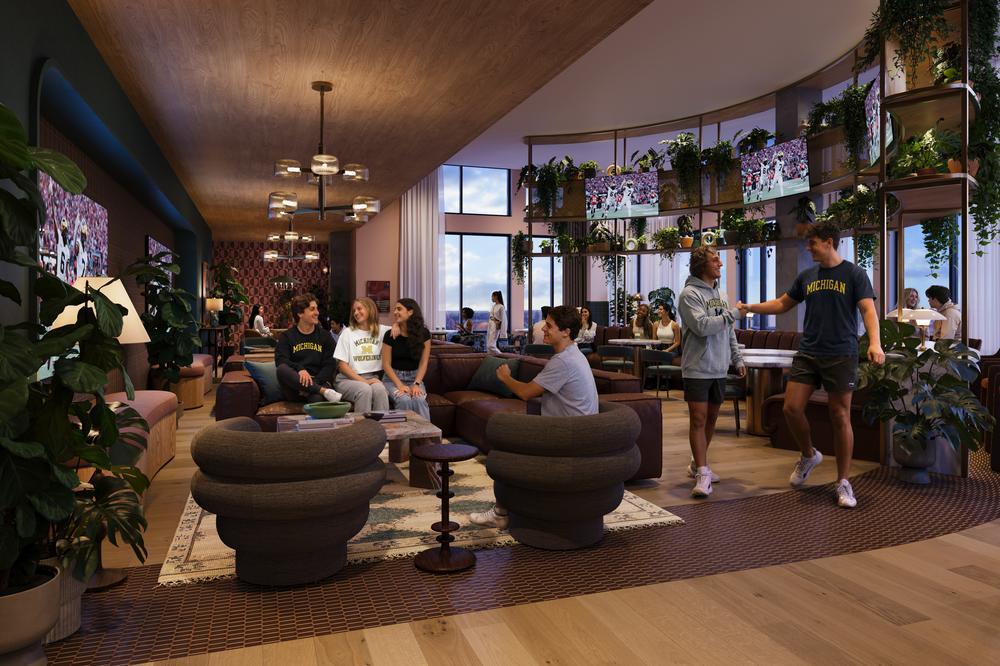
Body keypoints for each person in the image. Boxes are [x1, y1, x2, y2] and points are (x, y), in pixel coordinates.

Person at [738, 221, 884, 508]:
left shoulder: (854, 274)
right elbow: (782, 304)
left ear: (828, 242)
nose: (809, 247)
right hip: (808, 352)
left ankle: (843, 481)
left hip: (841, 353)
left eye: (813, 242)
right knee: (791, 408)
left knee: (840, 415)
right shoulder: (807, 276)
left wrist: (875, 343)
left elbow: (868, 309)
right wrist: (749, 308)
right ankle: (808, 454)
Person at [469, 305, 599, 528]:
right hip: (575, 433)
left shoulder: (564, 361)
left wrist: (505, 377)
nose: (543, 330)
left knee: (505, 449)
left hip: (568, 438)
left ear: (566, 331)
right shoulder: (573, 355)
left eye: (549, 326)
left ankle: (500, 514)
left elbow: (526, 393)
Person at [678, 247, 745, 498]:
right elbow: (702, 326)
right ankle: (703, 472)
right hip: (697, 368)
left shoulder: (721, 294)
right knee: (698, 419)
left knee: (712, 420)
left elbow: (728, 331)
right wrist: (734, 314)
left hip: (718, 367)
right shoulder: (689, 294)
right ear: (701, 265)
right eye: (715, 259)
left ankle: (698, 462)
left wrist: (736, 358)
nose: (720, 262)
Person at [275, 293, 342, 404]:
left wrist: (313, 383)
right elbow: (281, 360)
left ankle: (317, 390)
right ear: (300, 313)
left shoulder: (325, 336)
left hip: (318, 381)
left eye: (316, 309)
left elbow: (330, 364)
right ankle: (322, 391)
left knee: (317, 399)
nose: (317, 312)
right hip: (295, 387)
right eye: (312, 309)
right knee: (282, 369)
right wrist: (300, 368)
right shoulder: (287, 337)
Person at [333, 298, 390, 414]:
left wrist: (398, 326)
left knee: (380, 390)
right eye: (354, 310)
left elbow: (404, 328)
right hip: (346, 380)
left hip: (372, 378)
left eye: (359, 309)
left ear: (370, 309)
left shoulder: (382, 331)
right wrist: (364, 381)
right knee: (364, 390)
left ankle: (382, 427)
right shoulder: (347, 333)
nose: (356, 313)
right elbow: (342, 366)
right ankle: (362, 429)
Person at [381, 298, 431, 420]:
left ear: (410, 312)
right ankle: (404, 438)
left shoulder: (423, 333)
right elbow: (386, 364)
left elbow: (424, 362)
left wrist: (417, 384)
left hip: (415, 378)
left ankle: (426, 437)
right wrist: (399, 385)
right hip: (392, 379)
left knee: (419, 400)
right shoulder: (390, 335)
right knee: (404, 400)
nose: (395, 312)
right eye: (394, 309)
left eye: (399, 309)